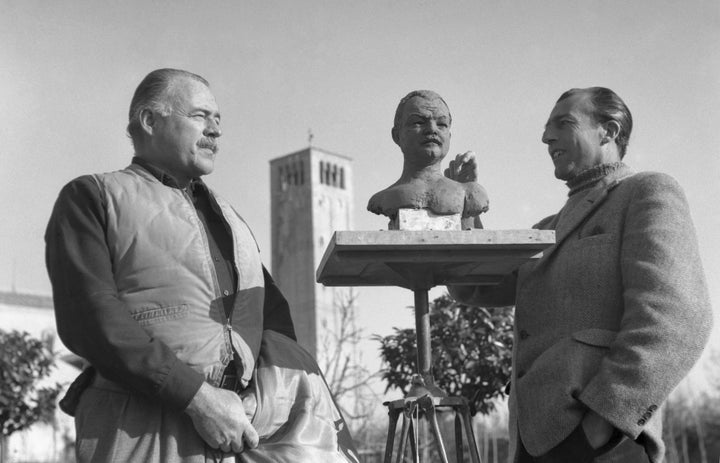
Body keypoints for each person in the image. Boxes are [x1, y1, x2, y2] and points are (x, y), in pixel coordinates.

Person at [45, 68, 358, 463]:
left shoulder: (228, 217)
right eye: (200, 116)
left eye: (219, 120)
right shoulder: (92, 196)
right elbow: (90, 318)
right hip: (138, 425)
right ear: (149, 120)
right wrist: (199, 399)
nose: (215, 131)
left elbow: (273, 322)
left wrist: (258, 404)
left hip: (236, 429)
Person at [448, 87, 712, 463]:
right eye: (546, 127)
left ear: (609, 131)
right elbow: (473, 285)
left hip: (604, 445)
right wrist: (465, 209)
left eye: (563, 123)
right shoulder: (546, 229)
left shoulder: (647, 192)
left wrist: (604, 422)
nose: (546, 137)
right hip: (532, 441)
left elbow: (677, 318)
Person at [367, 89, 489, 228]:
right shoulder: (383, 198)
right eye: (418, 122)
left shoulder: (469, 192)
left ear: (449, 136)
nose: (432, 129)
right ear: (397, 135)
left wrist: (469, 208)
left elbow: (473, 244)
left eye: (442, 124)